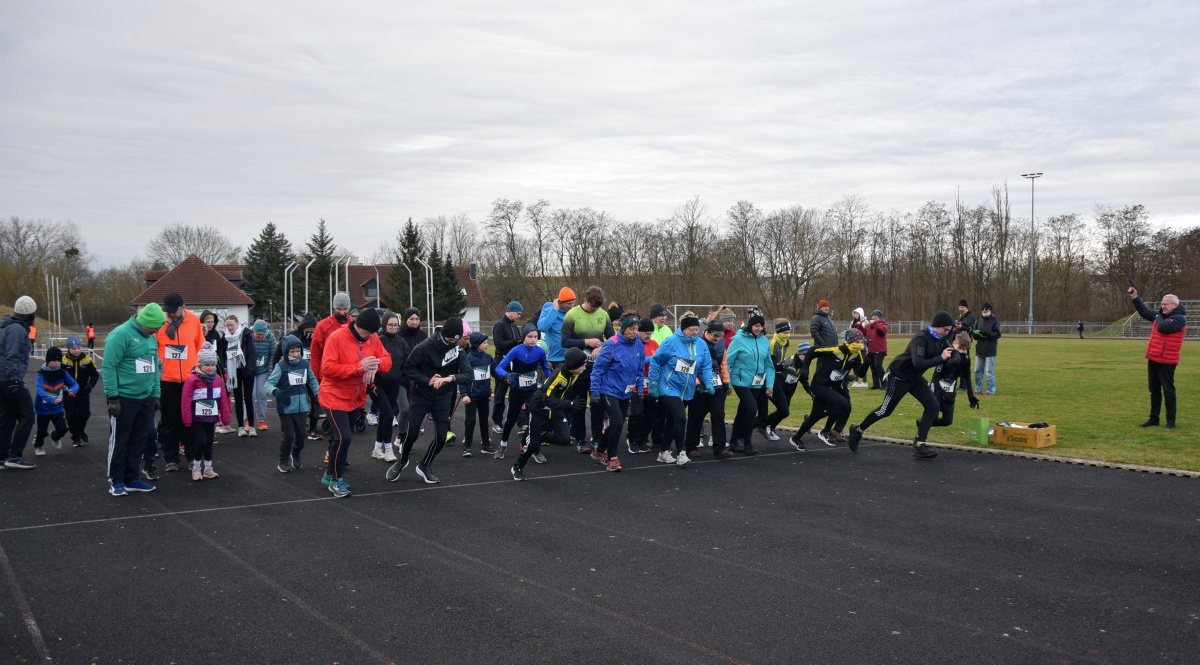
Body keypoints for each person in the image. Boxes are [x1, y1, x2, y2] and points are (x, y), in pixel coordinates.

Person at [848, 311, 956, 460]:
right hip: (899, 376)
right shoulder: (921, 337)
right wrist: (941, 358)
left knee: (933, 406)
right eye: (946, 330)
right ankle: (858, 430)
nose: (947, 333)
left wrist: (956, 356)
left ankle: (920, 444)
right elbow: (918, 363)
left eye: (949, 330)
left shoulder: (941, 338)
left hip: (915, 378)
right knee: (885, 410)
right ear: (937, 326)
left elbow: (952, 351)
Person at [319, 307, 390, 497]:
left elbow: (386, 359)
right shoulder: (336, 338)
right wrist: (360, 367)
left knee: (342, 438)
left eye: (371, 334)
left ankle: (329, 474)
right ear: (357, 326)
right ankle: (336, 479)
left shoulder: (373, 338)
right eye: (365, 333)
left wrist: (375, 366)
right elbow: (327, 369)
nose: (368, 337)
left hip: (355, 397)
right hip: (334, 395)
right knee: (344, 438)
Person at [391, 317, 470, 484]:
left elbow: (468, 375)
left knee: (442, 436)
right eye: (449, 340)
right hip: (421, 395)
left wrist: (450, 378)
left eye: (455, 341)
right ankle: (402, 460)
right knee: (412, 433)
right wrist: (428, 380)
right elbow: (408, 369)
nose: (452, 344)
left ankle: (425, 465)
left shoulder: (457, 350)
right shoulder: (424, 347)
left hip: (442, 397)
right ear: (442, 335)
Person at [102, 304, 166, 495]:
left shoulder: (151, 338)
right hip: (124, 398)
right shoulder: (120, 335)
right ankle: (116, 479)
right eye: (155, 327)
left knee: (140, 439)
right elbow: (108, 367)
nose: (157, 330)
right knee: (121, 440)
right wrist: (112, 397)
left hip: (144, 398)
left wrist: (156, 394)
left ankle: (132, 477)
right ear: (146, 322)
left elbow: (153, 367)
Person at [510, 348, 588, 480]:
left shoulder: (575, 372)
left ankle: (542, 435)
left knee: (565, 439)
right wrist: (568, 404)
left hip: (555, 409)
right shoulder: (558, 376)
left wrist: (570, 406)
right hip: (539, 409)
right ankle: (518, 466)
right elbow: (547, 398)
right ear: (574, 365)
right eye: (583, 365)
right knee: (533, 444)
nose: (585, 368)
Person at [648, 316, 713, 465]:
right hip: (668, 386)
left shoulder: (701, 345)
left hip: (686, 389)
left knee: (672, 420)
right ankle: (681, 453)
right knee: (681, 417)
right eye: (692, 329)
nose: (695, 332)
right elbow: (656, 361)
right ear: (683, 329)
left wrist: (708, 382)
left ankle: (664, 453)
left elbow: (706, 366)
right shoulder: (671, 342)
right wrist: (653, 383)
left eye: (697, 329)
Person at [153, 293, 206, 474]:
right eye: (167, 312)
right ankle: (171, 458)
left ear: (182, 307)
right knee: (169, 421)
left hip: (190, 380)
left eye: (173, 312)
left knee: (190, 421)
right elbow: (152, 348)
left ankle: (192, 457)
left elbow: (200, 346)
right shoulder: (159, 322)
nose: (170, 315)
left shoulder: (193, 320)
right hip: (167, 380)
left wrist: (202, 371)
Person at [789, 329, 866, 451]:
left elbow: (860, 373)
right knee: (842, 403)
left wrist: (868, 360)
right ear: (849, 340)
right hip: (819, 385)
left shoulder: (856, 355)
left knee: (815, 416)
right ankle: (825, 431)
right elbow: (812, 351)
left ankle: (796, 437)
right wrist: (805, 369)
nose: (859, 343)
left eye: (861, 341)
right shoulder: (834, 351)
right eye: (857, 341)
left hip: (832, 387)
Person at [561, 286, 615, 452]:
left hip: (597, 367)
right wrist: (586, 342)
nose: (595, 310)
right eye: (593, 307)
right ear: (585, 301)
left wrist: (602, 347)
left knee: (597, 403)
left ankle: (597, 439)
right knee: (579, 403)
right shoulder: (572, 315)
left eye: (598, 307)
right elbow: (565, 341)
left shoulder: (604, 315)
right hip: (578, 366)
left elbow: (613, 338)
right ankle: (580, 439)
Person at [589, 312, 646, 471]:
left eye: (636, 328)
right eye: (631, 328)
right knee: (618, 422)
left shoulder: (638, 344)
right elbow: (598, 369)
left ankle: (599, 450)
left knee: (617, 422)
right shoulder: (611, 344)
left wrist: (639, 390)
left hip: (625, 390)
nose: (634, 332)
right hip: (608, 389)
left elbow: (640, 370)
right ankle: (612, 457)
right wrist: (594, 392)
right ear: (622, 328)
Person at [1128, 288, 1186, 429]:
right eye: (1162, 304)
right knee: (1154, 389)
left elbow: (1162, 327)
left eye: (1166, 304)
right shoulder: (1160, 315)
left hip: (1167, 360)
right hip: (1154, 357)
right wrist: (1135, 297)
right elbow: (1145, 312)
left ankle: (1170, 421)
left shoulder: (1179, 319)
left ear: (1175, 305)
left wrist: (1158, 315)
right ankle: (1154, 419)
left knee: (1168, 390)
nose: (1163, 306)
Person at [494, 323, 552, 459]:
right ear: (523, 337)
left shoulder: (540, 351)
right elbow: (499, 368)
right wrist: (507, 375)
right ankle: (502, 445)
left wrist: (550, 380)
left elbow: (545, 368)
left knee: (535, 420)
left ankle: (535, 449)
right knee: (510, 420)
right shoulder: (516, 350)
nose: (533, 339)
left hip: (532, 391)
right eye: (530, 336)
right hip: (517, 390)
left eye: (535, 337)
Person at [264, 335, 319, 473]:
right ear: (286, 352)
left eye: (298, 351)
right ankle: (283, 460)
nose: (296, 354)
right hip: (286, 407)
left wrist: (318, 393)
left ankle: (296, 453)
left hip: (301, 407)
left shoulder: (305, 364)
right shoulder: (281, 366)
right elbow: (268, 384)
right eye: (292, 351)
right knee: (288, 435)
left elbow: (312, 380)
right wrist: (274, 391)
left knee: (301, 435)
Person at [180, 343, 232, 480]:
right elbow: (186, 400)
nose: (210, 368)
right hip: (197, 418)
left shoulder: (218, 379)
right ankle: (196, 467)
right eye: (207, 365)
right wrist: (187, 419)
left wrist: (226, 418)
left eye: (212, 365)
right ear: (200, 365)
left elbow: (223, 400)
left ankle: (208, 467)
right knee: (201, 442)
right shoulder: (192, 379)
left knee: (209, 442)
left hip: (211, 417)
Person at [726, 313, 774, 455]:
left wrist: (769, 385)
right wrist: (727, 384)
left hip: (757, 382)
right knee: (752, 409)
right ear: (750, 326)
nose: (759, 328)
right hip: (739, 379)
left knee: (743, 410)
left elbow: (769, 365)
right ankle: (747, 443)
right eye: (756, 325)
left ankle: (734, 442)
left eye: (761, 326)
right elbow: (727, 362)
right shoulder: (738, 340)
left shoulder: (764, 341)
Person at [0, 296, 38, 469]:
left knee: (7, 417)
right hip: (9, 378)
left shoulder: (7, 326)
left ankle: (3, 455)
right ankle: (15, 455)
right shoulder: (17, 329)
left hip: (3, 378)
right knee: (27, 415)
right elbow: (11, 355)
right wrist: (15, 379)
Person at [685, 320, 732, 459]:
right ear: (708, 332)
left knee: (718, 415)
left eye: (720, 335)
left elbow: (723, 363)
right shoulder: (698, 343)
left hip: (716, 382)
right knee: (696, 415)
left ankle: (720, 448)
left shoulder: (721, 344)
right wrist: (697, 383)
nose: (717, 338)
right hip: (699, 382)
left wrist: (726, 383)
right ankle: (691, 447)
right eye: (715, 335)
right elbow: (691, 365)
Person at [369, 312, 405, 462]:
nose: (393, 327)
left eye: (395, 325)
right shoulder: (377, 340)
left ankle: (377, 448)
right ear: (384, 325)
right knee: (389, 415)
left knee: (385, 415)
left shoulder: (401, 342)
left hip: (394, 383)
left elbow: (406, 362)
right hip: (378, 384)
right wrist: (370, 383)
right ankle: (389, 449)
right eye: (390, 325)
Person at [277, 312, 320, 439]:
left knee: (316, 399)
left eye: (313, 331)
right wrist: (277, 369)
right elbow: (278, 352)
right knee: (291, 399)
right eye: (308, 331)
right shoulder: (292, 337)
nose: (311, 334)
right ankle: (287, 427)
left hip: (310, 373)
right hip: (293, 373)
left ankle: (312, 428)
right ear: (302, 329)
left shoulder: (318, 338)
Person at [33, 347, 78, 456]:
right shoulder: (40, 374)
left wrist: (73, 390)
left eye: (58, 361)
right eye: (53, 361)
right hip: (43, 408)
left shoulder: (62, 373)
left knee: (62, 429)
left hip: (57, 407)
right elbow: (40, 390)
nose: (56, 363)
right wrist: (51, 400)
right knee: (42, 431)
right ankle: (38, 445)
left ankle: (55, 437)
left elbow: (74, 384)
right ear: (47, 361)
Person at [930, 332, 980, 429]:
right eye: (959, 348)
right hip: (937, 387)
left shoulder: (965, 359)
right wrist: (941, 392)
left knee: (947, 420)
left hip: (950, 388)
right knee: (932, 416)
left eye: (964, 350)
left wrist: (970, 395)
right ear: (953, 344)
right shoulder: (946, 354)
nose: (961, 352)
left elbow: (967, 376)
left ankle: (922, 423)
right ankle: (921, 433)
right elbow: (936, 376)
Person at [626, 318, 661, 454]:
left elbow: (660, 358)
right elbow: (635, 360)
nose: (648, 336)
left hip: (651, 385)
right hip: (636, 385)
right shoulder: (633, 343)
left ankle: (642, 439)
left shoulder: (654, 344)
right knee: (637, 414)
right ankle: (632, 439)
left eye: (651, 333)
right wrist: (650, 359)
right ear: (638, 331)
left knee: (650, 416)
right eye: (646, 333)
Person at [490, 301, 524, 433]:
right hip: (502, 363)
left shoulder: (515, 328)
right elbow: (499, 344)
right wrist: (516, 342)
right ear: (511, 311)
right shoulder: (500, 325)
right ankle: (497, 422)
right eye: (518, 313)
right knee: (500, 394)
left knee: (518, 393)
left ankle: (521, 422)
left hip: (514, 364)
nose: (519, 316)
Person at [760, 318, 795, 440]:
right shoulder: (773, 344)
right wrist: (784, 365)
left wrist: (786, 367)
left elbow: (779, 364)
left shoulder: (784, 343)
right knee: (783, 410)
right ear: (780, 332)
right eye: (785, 332)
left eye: (789, 332)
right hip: (768, 378)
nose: (788, 335)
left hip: (778, 377)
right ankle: (761, 426)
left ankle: (770, 426)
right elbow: (772, 366)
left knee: (785, 407)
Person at [222, 315, 257, 437]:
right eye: (227, 325)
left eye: (231, 325)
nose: (230, 327)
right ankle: (240, 427)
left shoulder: (246, 334)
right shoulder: (225, 337)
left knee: (248, 399)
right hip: (234, 371)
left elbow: (252, 352)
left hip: (247, 369)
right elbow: (222, 352)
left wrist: (250, 369)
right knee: (237, 399)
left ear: (237, 324)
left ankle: (252, 426)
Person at [460, 331, 494, 457]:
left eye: (487, 342)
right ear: (476, 344)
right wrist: (464, 394)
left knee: (484, 420)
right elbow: (463, 377)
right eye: (484, 343)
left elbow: (495, 372)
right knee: (470, 420)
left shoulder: (488, 358)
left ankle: (485, 444)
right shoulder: (468, 358)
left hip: (484, 395)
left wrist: (506, 377)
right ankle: (467, 447)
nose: (487, 345)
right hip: (471, 396)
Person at [61, 336, 99, 446]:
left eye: (78, 348)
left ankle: (81, 430)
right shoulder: (63, 361)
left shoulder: (87, 360)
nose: (76, 351)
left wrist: (90, 385)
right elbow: (58, 376)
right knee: (71, 415)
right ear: (68, 349)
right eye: (73, 348)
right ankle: (76, 436)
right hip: (69, 392)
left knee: (84, 413)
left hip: (83, 391)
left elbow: (94, 375)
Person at [310, 292, 353, 386]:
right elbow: (315, 355)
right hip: (328, 377)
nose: (342, 313)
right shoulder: (322, 326)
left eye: (345, 309)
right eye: (339, 309)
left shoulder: (355, 324)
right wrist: (314, 380)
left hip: (350, 376)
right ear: (334, 308)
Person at [537, 287, 575, 367]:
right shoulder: (549, 311)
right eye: (568, 303)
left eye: (573, 303)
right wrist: (554, 310)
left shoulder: (574, 312)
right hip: (554, 358)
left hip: (571, 357)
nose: (571, 306)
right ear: (560, 302)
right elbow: (542, 327)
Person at [250, 320, 277, 430]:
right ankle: (248, 420)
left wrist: (270, 374)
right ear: (254, 332)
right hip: (250, 371)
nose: (260, 337)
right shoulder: (248, 336)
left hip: (263, 370)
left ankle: (261, 420)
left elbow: (272, 356)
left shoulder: (270, 337)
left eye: (262, 335)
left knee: (261, 394)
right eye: (258, 335)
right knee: (250, 396)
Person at [971, 302, 1002, 395]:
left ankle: (990, 389)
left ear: (990, 310)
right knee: (977, 372)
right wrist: (976, 335)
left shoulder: (995, 321)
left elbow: (997, 334)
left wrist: (986, 334)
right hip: (980, 349)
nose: (984, 310)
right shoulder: (979, 321)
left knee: (989, 372)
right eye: (983, 309)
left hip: (990, 350)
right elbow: (975, 334)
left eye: (986, 309)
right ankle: (978, 388)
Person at [953, 299, 976, 390]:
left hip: (965, 343)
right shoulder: (961, 316)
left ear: (966, 307)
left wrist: (962, 327)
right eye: (959, 307)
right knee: (958, 362)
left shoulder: (970, 316)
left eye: (962, 307)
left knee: (964, 363)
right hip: (959, 343)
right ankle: (960, 384)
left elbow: (971, 329)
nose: (960, 309)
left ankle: (964, 385)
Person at [863, 310, 889, 389]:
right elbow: (865, 333)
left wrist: (875, 323)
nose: (873, 317)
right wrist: (860, 326)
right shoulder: (870, 325)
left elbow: (882, 331)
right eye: (872, 316)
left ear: (879, 317)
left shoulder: (883, 324)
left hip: (880, 349)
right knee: (873, 367)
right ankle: (876, 384)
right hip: (871, 349)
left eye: (875, 316)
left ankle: (885, 383)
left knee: (878, 366)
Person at [849, 308, 869, 387]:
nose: (855, 315)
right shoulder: (852, 322)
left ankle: (864, 382)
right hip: (854, 345)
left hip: (862, 346)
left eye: (857, 313)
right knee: (854, 362)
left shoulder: (865, 322)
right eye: (855, 313)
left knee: (863, 363)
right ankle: (856, 380)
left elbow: (865, 333)